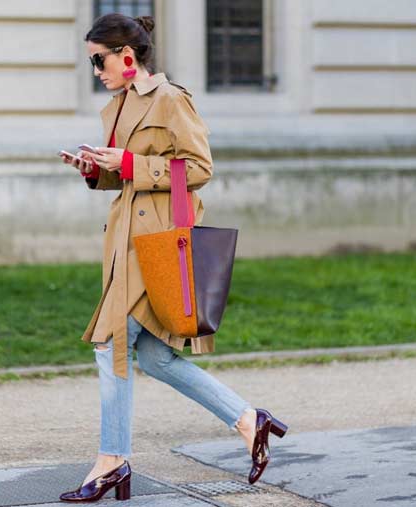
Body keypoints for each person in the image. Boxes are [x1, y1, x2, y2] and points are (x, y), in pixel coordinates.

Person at [58, 13, 288, 503]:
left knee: (112, 342)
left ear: (126, 56)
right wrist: (94, 170)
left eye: (98, 60)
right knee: (157, 357)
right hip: (127, 239)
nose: (96, 70)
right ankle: (250, 419)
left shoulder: (171, 98)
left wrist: (126, 163)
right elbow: (128, 175)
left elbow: (199, 167)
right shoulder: (118, 106)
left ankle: (112, 460)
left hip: (161, 240)